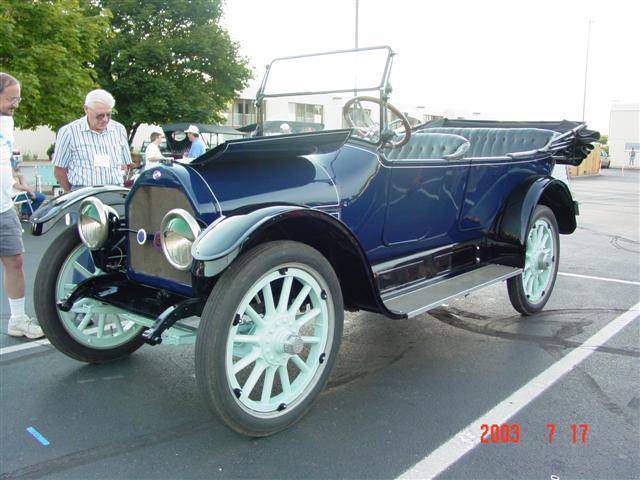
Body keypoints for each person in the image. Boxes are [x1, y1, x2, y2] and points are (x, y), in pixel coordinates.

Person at [0, 72, 44, 339]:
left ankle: (17, 320)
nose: (15, 104)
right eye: (10, 99)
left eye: (17, 98)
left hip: (4, 207)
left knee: (14, 260)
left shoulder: (7, 122)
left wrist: (16, 180)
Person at [53, 89, 132, 192]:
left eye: (108, 114)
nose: (105, 120)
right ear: (86, 109)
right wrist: (72, 193)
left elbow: (125, 166)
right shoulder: (68, 132)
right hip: (83, 193)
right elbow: (59, 171)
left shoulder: (119, 129)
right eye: (99, 116)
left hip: (115, 191)